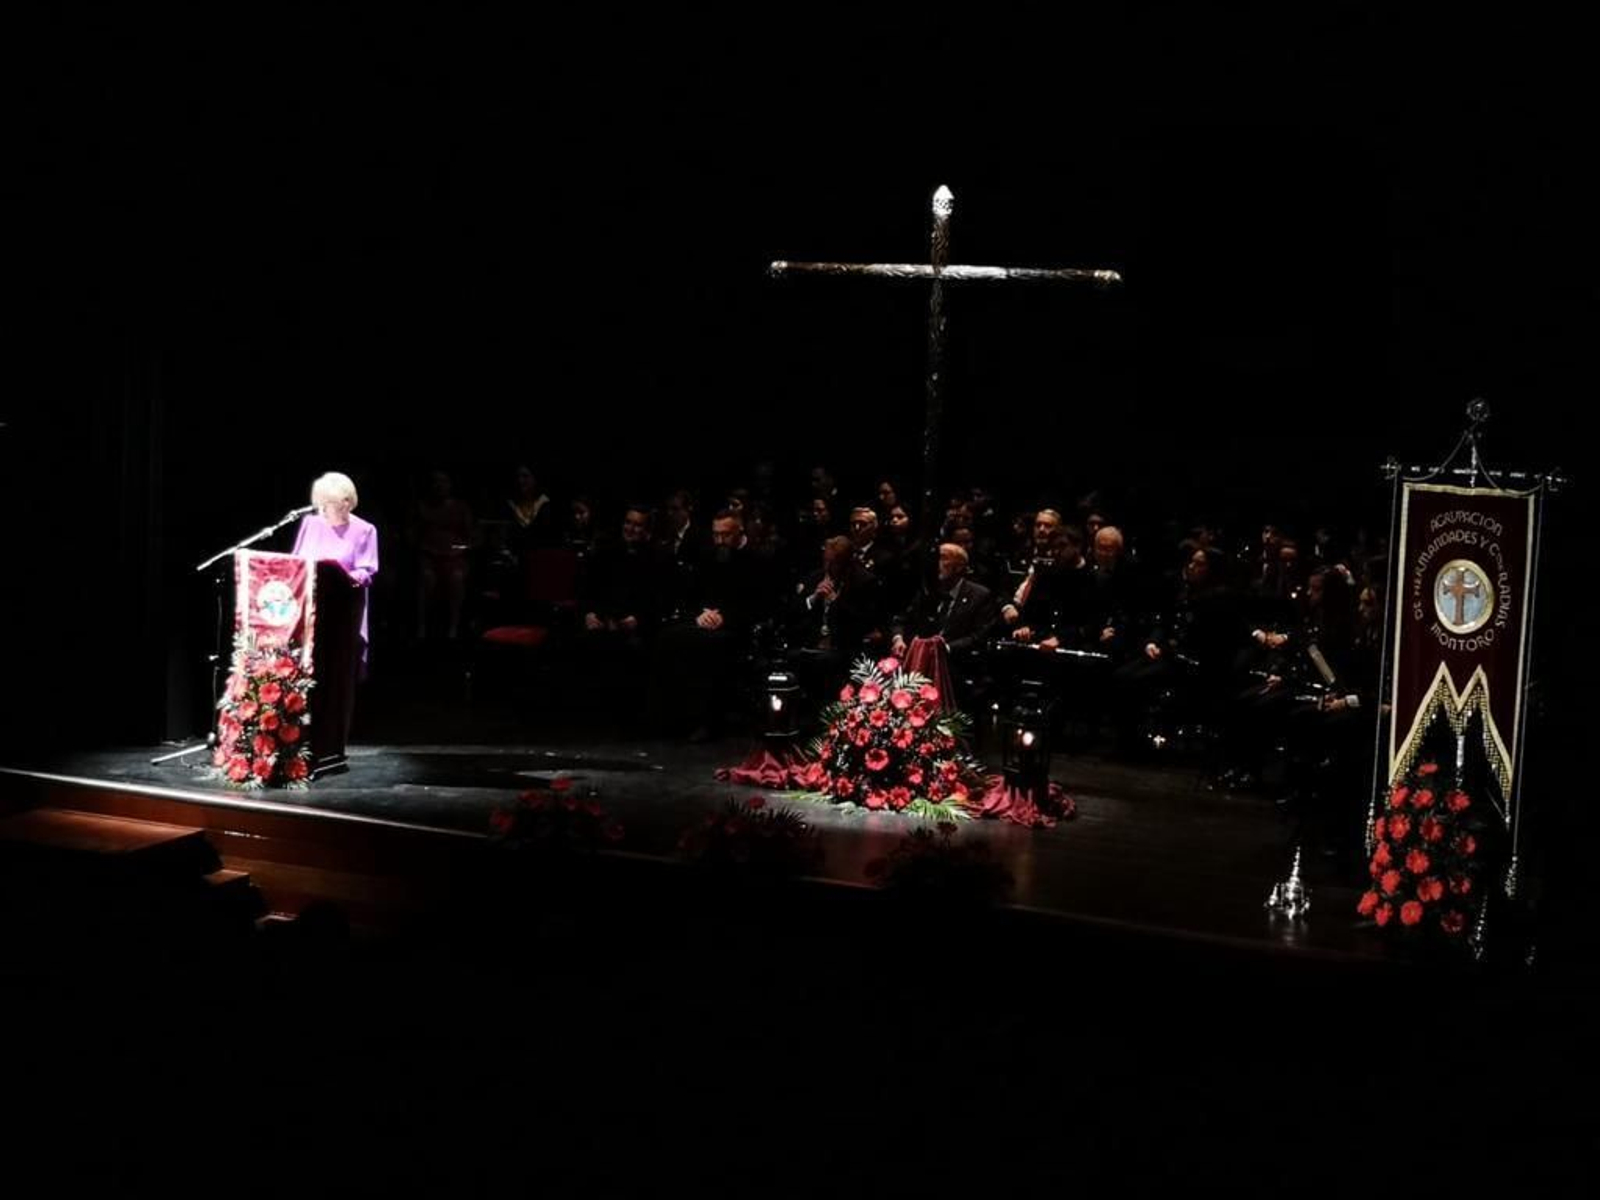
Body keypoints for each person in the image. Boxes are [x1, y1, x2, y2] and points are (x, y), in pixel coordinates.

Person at [292, 471, 379, 656]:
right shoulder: (311, 523)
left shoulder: (365, 530)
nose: (323, 510)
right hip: (308, 606)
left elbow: (366, 573)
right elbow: (295, 563)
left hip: (343, 608)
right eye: (320, 504)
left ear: (346, 502)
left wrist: (338, 576)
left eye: (328, 504)